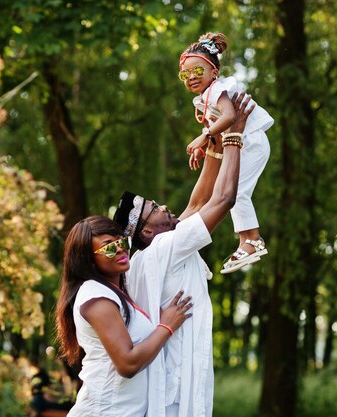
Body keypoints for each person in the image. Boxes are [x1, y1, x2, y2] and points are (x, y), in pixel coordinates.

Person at [112, 93, 254, 417]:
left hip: (170, 389)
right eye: (153, 208)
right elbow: (223, 200)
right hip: (176, 397)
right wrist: (234, 134)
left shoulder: (147, 256)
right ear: (146, 232)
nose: (163, 206)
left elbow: (197, 201)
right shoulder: (166, 248)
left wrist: (213, 144)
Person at [55, 215, 193, 417]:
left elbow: (193, 215)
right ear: (89, 260)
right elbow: (127, 364)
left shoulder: (116, 291)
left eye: (122, 240)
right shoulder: (96, 297)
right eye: (109, 246)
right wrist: (166, 327)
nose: (120, 248)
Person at [179, 32, 274, 274]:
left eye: (198, 71)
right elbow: (218, 123)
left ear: (214, 73)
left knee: (236, 193)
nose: (191, 77)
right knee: (222, 194)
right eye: (185, 74)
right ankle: (193, 250)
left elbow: (230, 116)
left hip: (251, 142)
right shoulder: (205, 97)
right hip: (242, 144)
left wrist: (204, 136)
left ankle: (251, 241)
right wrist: (205, 144)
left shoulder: (219, 88)